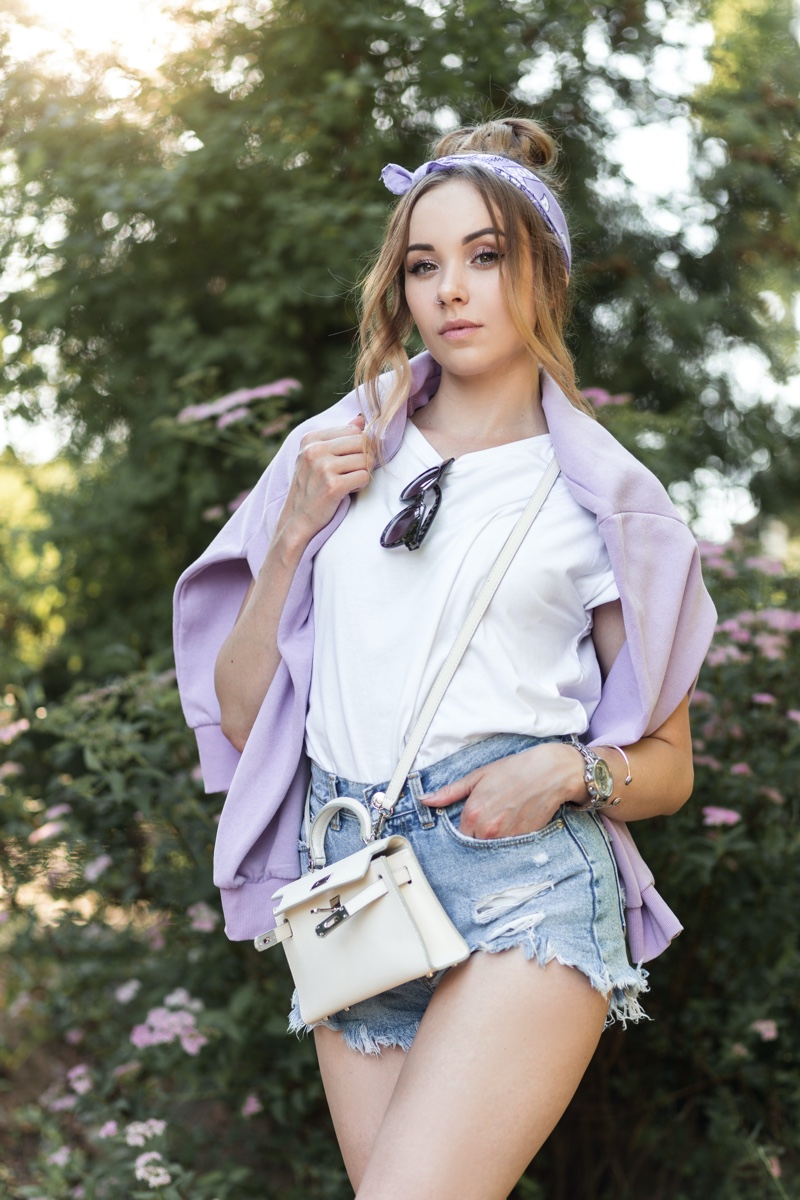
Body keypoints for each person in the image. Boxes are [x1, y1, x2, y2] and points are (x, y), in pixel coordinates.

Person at [173, 117, 716, 1199]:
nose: (450, 290)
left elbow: (667, 767)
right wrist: (291, 533)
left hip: (520, 878)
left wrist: (567, 770)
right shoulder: (336, 453)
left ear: (541, 278)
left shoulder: (605, 505)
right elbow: (243, 719)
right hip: (350, 882)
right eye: (425, 264)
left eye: (485, 257)